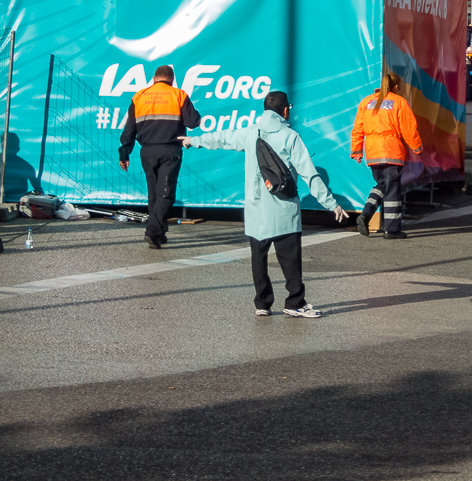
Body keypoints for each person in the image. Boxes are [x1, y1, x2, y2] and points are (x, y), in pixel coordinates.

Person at [181, 91, 345, 318]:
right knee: (289, 258)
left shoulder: (250, 133)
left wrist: (193, 140)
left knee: (258, 257)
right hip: (283, 208)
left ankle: (263, 303)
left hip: (255, 207)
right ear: (286, 110)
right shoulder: (290, 136)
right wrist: (331, 204)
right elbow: (309, 174)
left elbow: (222, 138)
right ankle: (294, 302)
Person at [118, 65, 201, 249]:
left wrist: (124, 152)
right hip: (170, 150)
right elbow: (192, 122)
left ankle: (159, 235)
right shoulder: (178, 95)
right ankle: (152, 230)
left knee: (154, 193)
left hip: (146, 151)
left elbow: (129, 128)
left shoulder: (139, 96)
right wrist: (196, 115)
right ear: (171, 79)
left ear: (154, 79)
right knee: (167, 194)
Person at [351, 71, 424, 239]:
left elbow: (358, 129)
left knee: (382, 184)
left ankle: (366, 214)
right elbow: (409, 129)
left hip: (372, 152)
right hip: (392, 151)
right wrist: (417, 147)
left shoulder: (366, 102)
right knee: (393, 191)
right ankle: (392, 230)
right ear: (396, 87)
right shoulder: (399, 102)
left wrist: (356, 150)